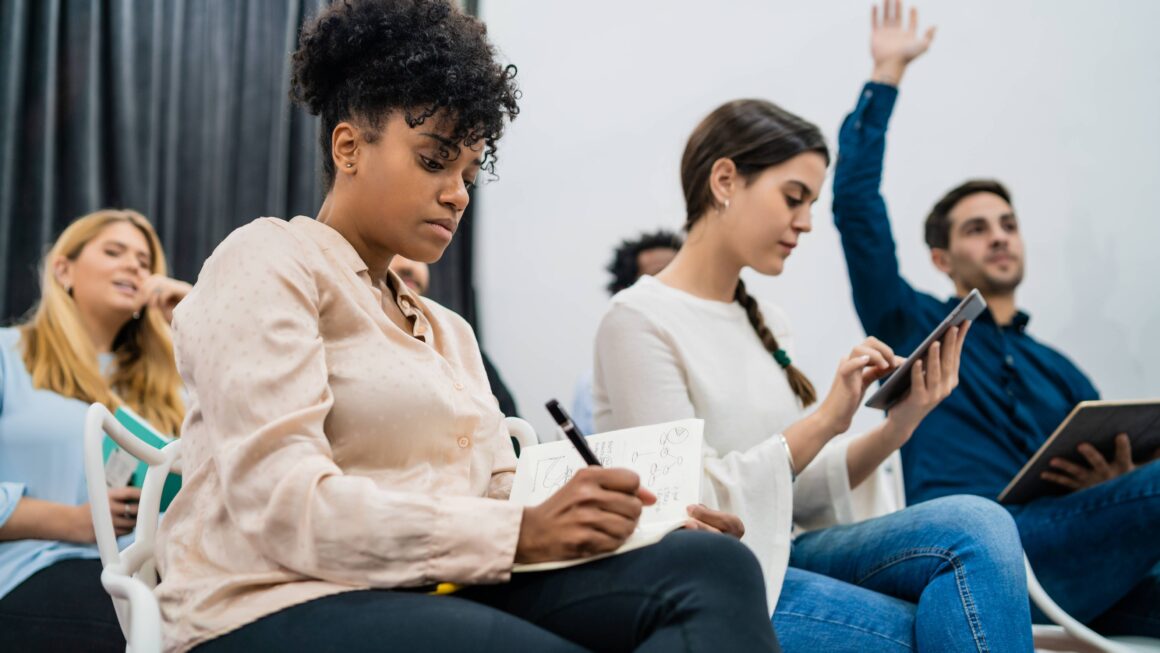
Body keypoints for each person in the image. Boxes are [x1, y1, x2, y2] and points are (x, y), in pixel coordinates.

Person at [153, 2, 779, 652]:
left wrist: (637, 520)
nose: (458, 193)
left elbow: (503, 490)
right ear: (348, 147)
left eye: (469, 173)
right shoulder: (268, 259)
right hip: (272, 600)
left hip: (442, 585)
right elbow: (281, 505)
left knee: (714, 566)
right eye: (434, 160)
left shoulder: (448, 331)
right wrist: (522, 533)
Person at [594, 9, 1033, 651]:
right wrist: (826, 416)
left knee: (980, 522)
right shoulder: (637, 321)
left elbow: (801, 489)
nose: (804, 222)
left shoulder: (767, 319)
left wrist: (898, 425)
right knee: (939, 625)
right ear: (725, 181)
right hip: (724, 574)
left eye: (812, 205)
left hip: (793, 546)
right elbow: (683, 504)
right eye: (793, 196)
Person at [831, 0, 1160, 635]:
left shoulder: (1061, 373)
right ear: (941, 257)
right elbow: (855, 207)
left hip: (1081, 561)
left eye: (1008, 225)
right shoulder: (914, 325)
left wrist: (1120, 480)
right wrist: (886, 75)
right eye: (978, 229)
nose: (1000, 238)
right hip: (977, 553)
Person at [0, 208, 190, 652]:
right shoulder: (8, 357)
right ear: (63, 269)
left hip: (155, 573)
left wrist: (192, 323)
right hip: (36, 567)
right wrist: (71, 521)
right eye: (114, 252)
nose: (134, 266)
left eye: (145, 262)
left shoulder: (172, 386)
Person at [572, 230, 682, 434]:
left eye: (679, 274)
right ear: (625, 291)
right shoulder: (589, 387)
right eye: (658, 276)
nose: (673, 287)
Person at [389, 255, 520, 416]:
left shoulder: (458, 338)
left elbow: (513, 421)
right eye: (393, 253)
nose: (408, 265)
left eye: (417, 256)